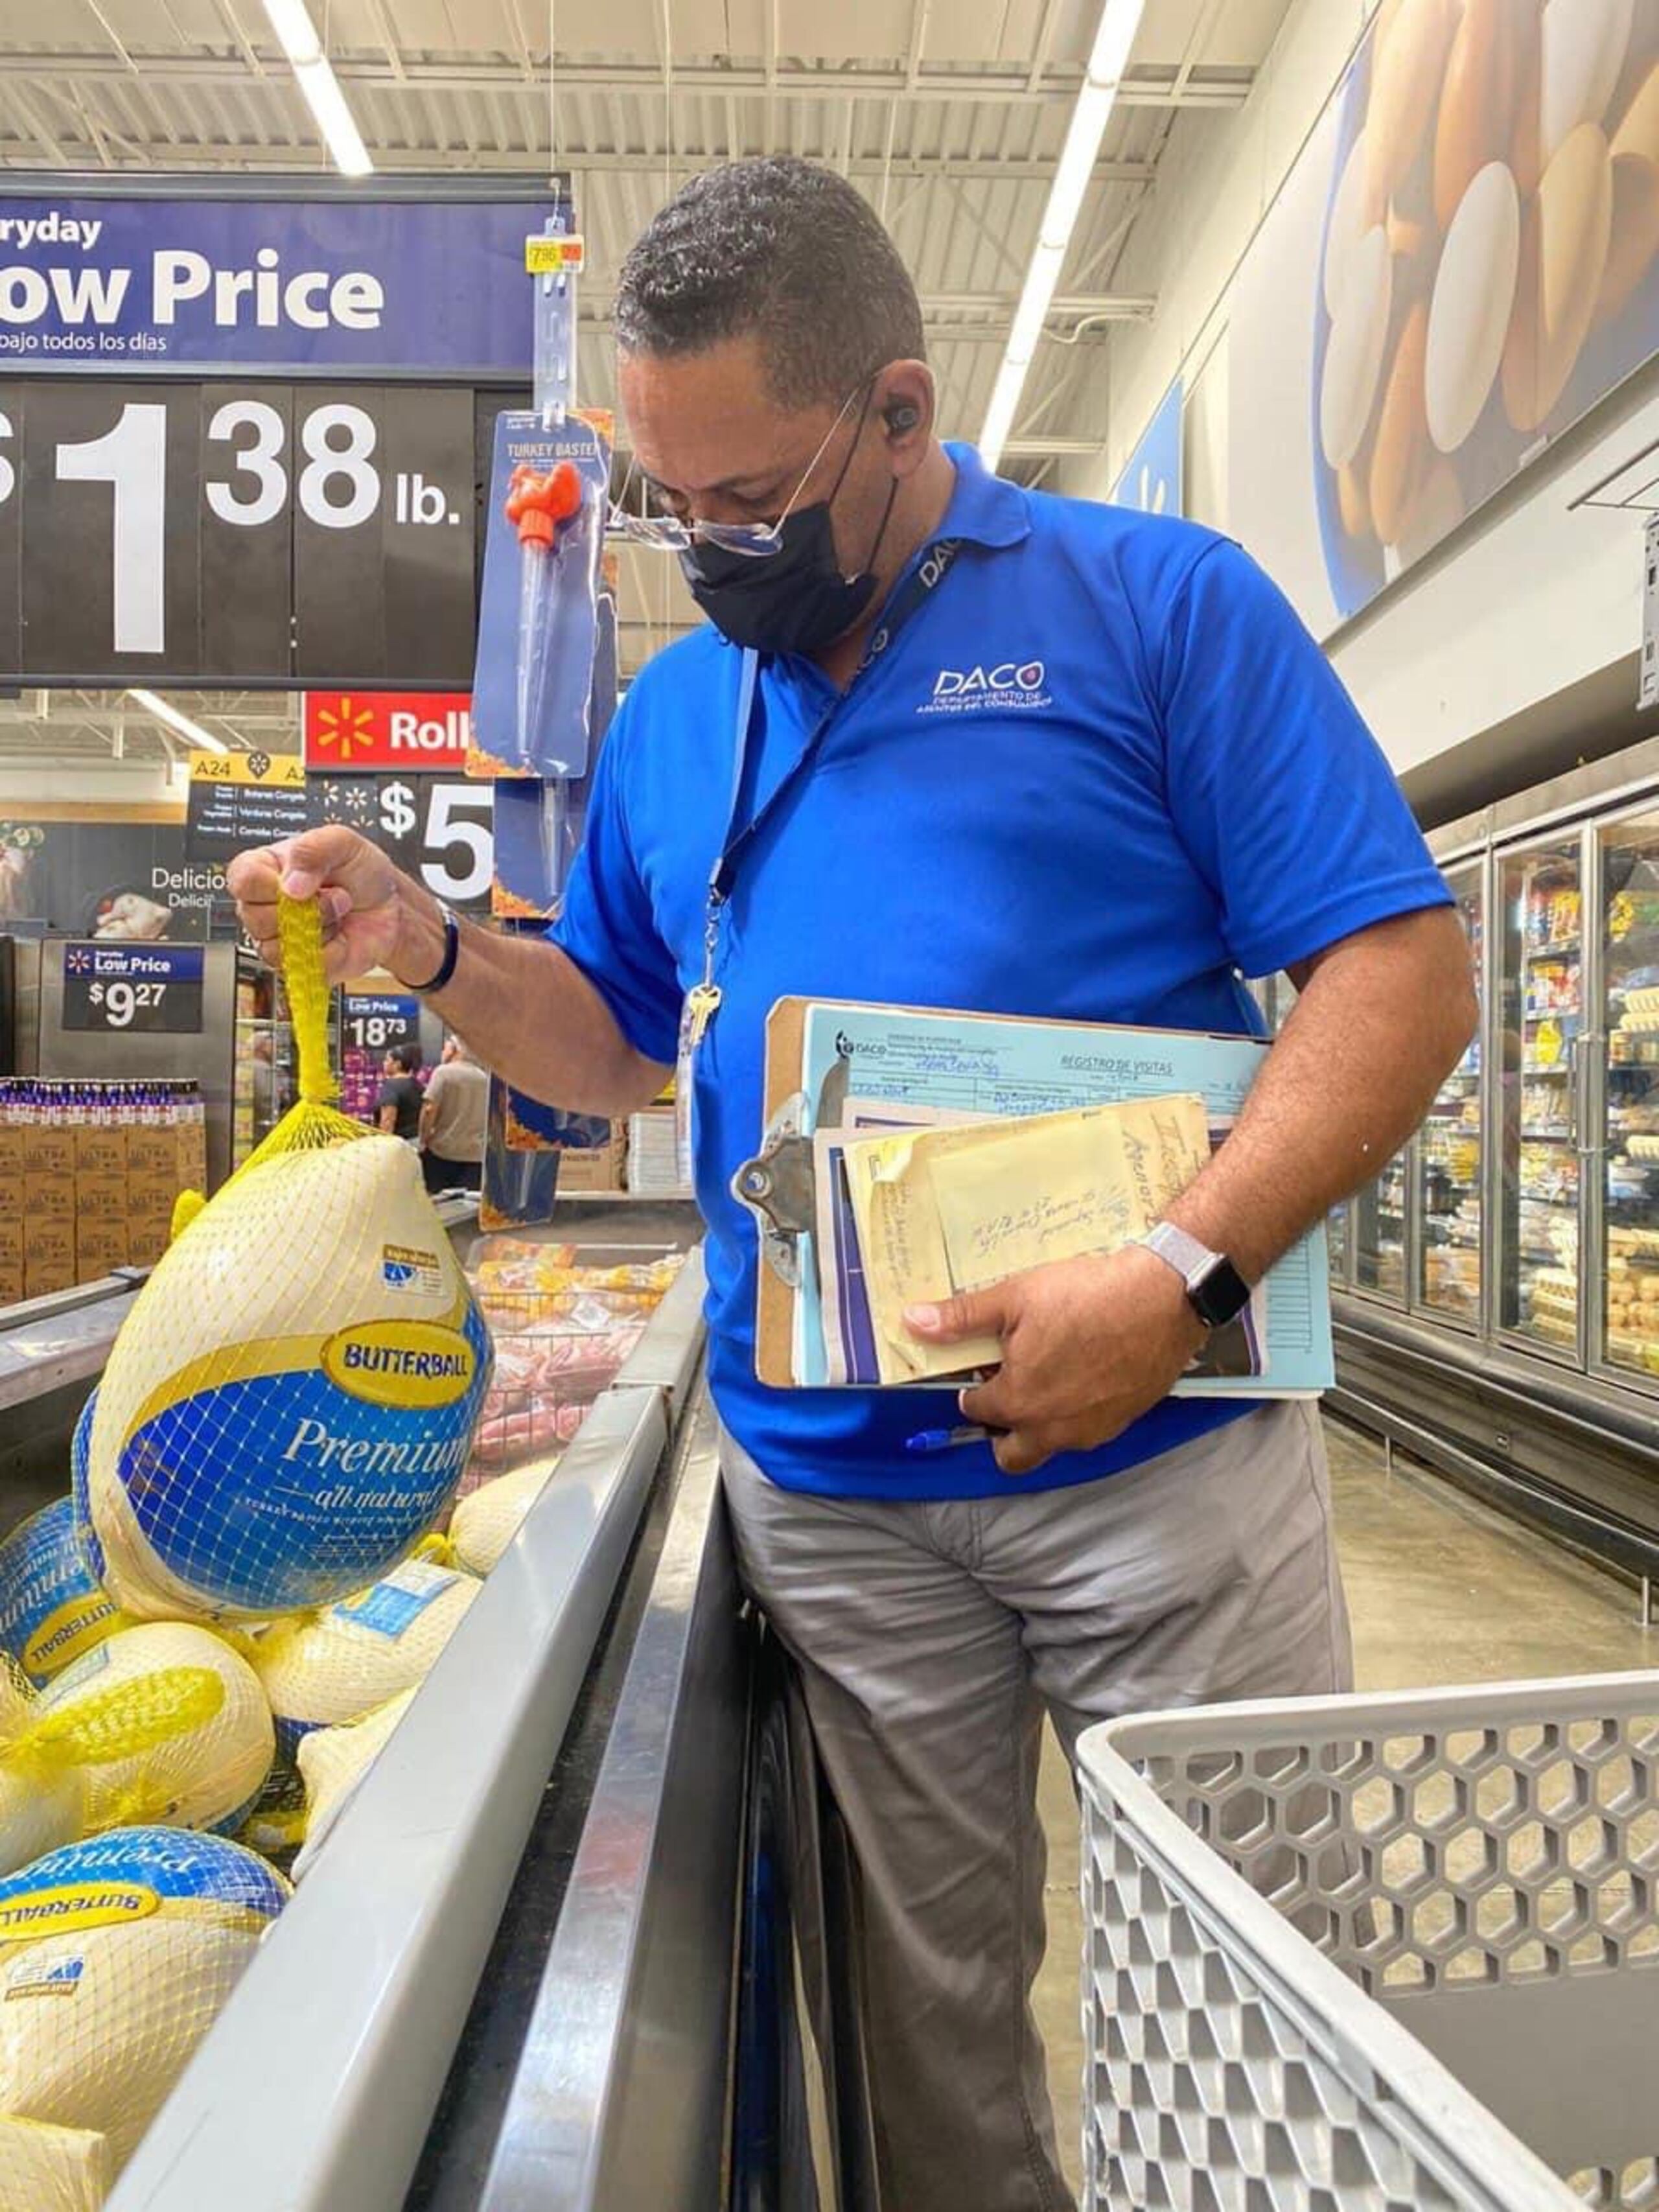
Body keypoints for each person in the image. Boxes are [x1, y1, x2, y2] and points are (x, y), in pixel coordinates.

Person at [229, 156, 1476, 2212]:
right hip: (842, 1514)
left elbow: (1399, 971)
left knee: (1265, 2013)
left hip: (1159, 1475)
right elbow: (627, 1040)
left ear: (899, 413)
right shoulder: (674, 712)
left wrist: (1175, 1273)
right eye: (666, 503)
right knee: (926, 2049)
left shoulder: (1153, 609)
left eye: (749, 503)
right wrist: (435, 953)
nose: (708, 550)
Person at [418, 1036, 487, 1193]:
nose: (442, 1052)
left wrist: (424, 1138)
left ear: (455, 1050)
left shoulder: (443, 1073)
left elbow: (429, 1109)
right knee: (468, 1208)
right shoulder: (483, 1077)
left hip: (443, 1153)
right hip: (475, 1155)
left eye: (445, 1048)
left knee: (439, 1206)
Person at [374, 1042, 423, 1143]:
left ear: (397, 1064)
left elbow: (388, 1120)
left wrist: (383, 1144)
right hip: (417, 1141)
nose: (384, 1063)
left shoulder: (391, 1086)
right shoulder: (418, 1085)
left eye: (387, 1060)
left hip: (399, 1144)